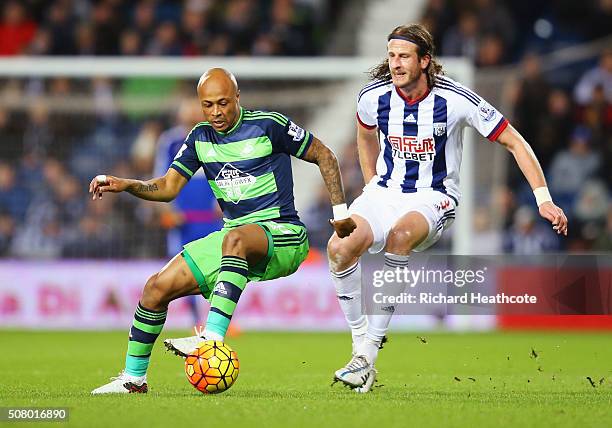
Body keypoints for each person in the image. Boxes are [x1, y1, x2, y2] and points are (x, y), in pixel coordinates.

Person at [327, 24, 568, 393]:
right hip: (384, 192)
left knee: (399, 236)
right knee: (339, 248)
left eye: (404, 56)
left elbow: (514, 142)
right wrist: (372, 182)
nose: (395, 63)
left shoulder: (455, 99)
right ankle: (360, 345)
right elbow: (364, 134)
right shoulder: (372, 97)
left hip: (433, 198)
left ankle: (369, 355)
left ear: (425, 60)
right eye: (391, 55)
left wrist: (543, 198)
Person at [90, 68, 356, 394]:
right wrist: (126, 184)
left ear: (237, 97)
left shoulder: (269, 125)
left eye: (223, 103)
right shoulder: (199, 137)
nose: (216, 112)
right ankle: (133, 379)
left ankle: (211, 338)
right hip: (235, 237)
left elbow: (325, 155)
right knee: (156, 288)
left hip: (283, 233)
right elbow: (168, 187)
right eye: (208, 105)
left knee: (235, 238)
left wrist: (340, 212)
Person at [153, 98, 223, 326]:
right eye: (188, 111)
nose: (192, 116)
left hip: (211, 216)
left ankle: (217, 318)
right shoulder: (170, 141)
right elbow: (161, 178)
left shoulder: (218, 137)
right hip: (183, 218)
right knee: (184, 268)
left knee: (220, 265)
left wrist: (223, 201)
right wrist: (168, 209)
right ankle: (195, 319)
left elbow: (226, 171)